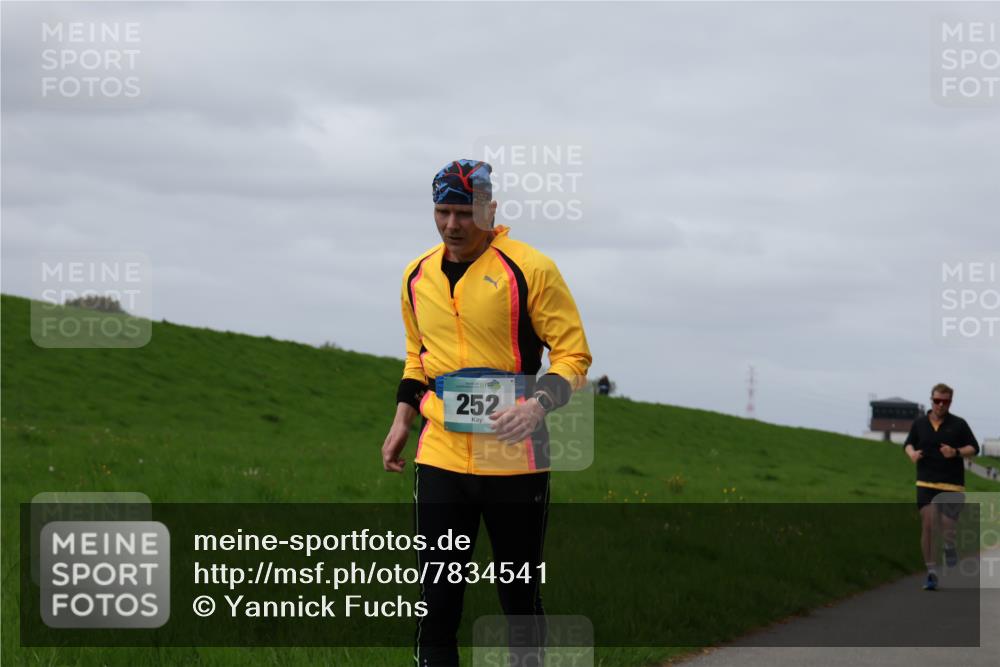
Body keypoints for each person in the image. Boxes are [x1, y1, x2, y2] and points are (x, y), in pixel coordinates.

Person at [381, 159, 592, 666]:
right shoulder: (416, 276)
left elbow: (573, 356)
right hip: (442, 457)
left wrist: (539, 406)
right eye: (441, 212)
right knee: (437, 603)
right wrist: (403, 419)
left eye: (463, 213)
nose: (452, 225)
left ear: (490, 209)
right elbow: (419, 356)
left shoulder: (530, 269)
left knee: (518, 602)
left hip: (515, 462)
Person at [903, 383, 979, 591]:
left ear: (950, 402)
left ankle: (949, 546)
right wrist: (911, 453)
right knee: (928, 524)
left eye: (944, 402)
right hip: (926, 482)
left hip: (952, 485)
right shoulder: (919, 423)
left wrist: (955, 452)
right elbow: (909, 443)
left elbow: (974, 448)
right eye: (937, 401)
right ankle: (931, 573)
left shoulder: (959, 424)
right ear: (931, 400)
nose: (940, 405)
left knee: (947, 526)